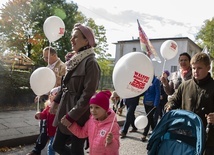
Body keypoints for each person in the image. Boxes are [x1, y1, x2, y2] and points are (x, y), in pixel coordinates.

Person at [50, 23, 101, 155]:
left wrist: (72, 115)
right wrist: (56, 102)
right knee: (57, 146)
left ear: (86, 40)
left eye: (76, 37)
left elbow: (88, 95)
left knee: (76, 151)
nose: (71, 40)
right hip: (64, 109)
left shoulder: (91, 63)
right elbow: (64, 85)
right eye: (72, 37)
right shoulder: (74, 60)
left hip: (79, 115)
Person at [165, 52, 214, 155]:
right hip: (187, 135)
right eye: (193, 68)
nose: (196, 71)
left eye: (199, 68)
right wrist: (169, 106)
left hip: (209, 139)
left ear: (208, 67)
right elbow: (173, 99)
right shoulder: (185, 85)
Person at [27, 47, 66, 155]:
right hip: (48, 101)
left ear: (54, 55)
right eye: (43, 57)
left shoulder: (63, 67)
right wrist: (40, 94)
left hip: (57, 102)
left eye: (46, 57)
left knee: (50, 127)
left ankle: (43, 149)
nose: (44, 59)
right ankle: (38, 149)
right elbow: (45, 84)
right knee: (44, 125)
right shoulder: (47, 67)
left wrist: (56, 98)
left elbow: (63, 86)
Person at [68, 90, 120, 155]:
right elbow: (82, 133)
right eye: (91, 107)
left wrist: (111, 142)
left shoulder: (113, 125)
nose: (93, 110)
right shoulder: (91, 121)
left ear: (105, 109)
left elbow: (115, 150)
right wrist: (71, 125)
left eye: (97, 107)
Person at [34, 87, 60, 155]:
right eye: (50, 95)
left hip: (57, 131)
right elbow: (44, 114)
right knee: (52, 146)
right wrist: (39, 115)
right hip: (50, 131)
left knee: (52, 146)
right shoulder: (48, 106)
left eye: (53, 95)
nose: (50, 96)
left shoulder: (60, 107)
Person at [141, 75, 160, 142]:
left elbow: (158, 93)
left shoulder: (156, 80)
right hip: (146, 102)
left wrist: (156, 103)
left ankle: (144, 134)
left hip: (152, 103)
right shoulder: (146, 80)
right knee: (150, 118)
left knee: (148, 117)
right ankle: (155, 131)